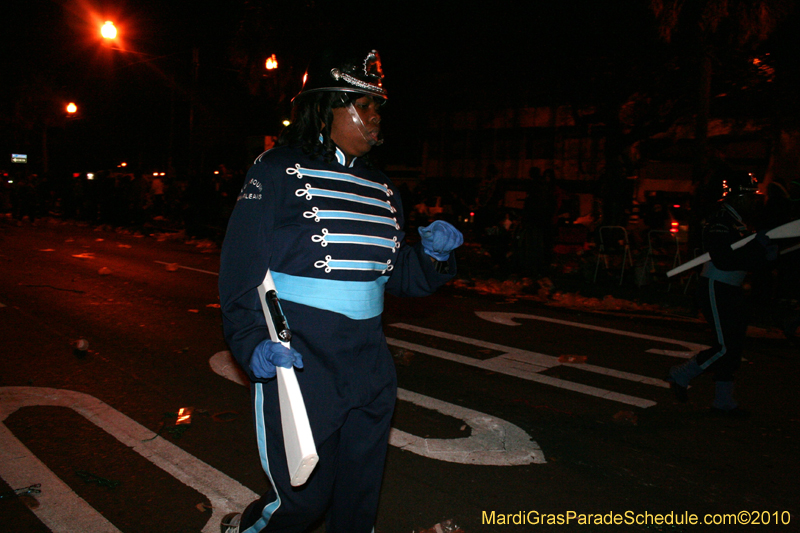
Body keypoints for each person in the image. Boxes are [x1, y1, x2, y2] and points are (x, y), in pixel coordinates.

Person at [218, 48, 463, 533]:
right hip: (303, 358)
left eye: (378, 107)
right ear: (325, 107)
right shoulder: (276, 168)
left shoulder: (384, 187)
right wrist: (249, 343)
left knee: (357, 504)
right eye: (363, 104)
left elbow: (395, 277)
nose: (375, 118)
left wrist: (432, 257)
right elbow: (239, 271)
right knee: (302, 503)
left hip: (370, 361)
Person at [667, 171, 777, 416]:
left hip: (731, 287)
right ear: (737, 196)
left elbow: (742, 257)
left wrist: (764, 256)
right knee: (725, 347)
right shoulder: (721, 220)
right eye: (749, 196)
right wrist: (758, 251)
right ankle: (682, 373)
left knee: (734, 345)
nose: (753, 200)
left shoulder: (738, 220)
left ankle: (723, 401)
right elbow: (724, 258)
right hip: (716, 287)